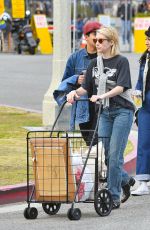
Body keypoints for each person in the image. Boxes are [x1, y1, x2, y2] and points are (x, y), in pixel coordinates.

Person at [66, 26, 135, 208]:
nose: (97, 43)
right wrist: (74, 94)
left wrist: (102, 96)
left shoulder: (121, 62)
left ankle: (113, 196)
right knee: (104, 155)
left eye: (101, 41)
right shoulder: (94, 64)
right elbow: (86, 88)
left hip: (122, 111)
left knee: (114, 155)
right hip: (105, 113)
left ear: (111, 42)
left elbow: (122, 87)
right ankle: (125, 180)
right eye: (95, 40)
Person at [53, 21, 102, 146]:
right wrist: (76, 79)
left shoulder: (105, 56)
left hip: (102, 107)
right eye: (95, 34)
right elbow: (65, 83)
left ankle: (101, 165)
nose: (99, 37)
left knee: (97, 143)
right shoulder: (74, 58)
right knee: (90, 142)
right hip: (83, 107)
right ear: (86, 37)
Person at [131, 26, 150, 196]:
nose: (146, 42)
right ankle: (143, 182)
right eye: (146, 39)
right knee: (143, 142)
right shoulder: (145, 58)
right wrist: (137, 92)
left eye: (149, 39)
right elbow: (139, 81)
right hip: (145, 106)